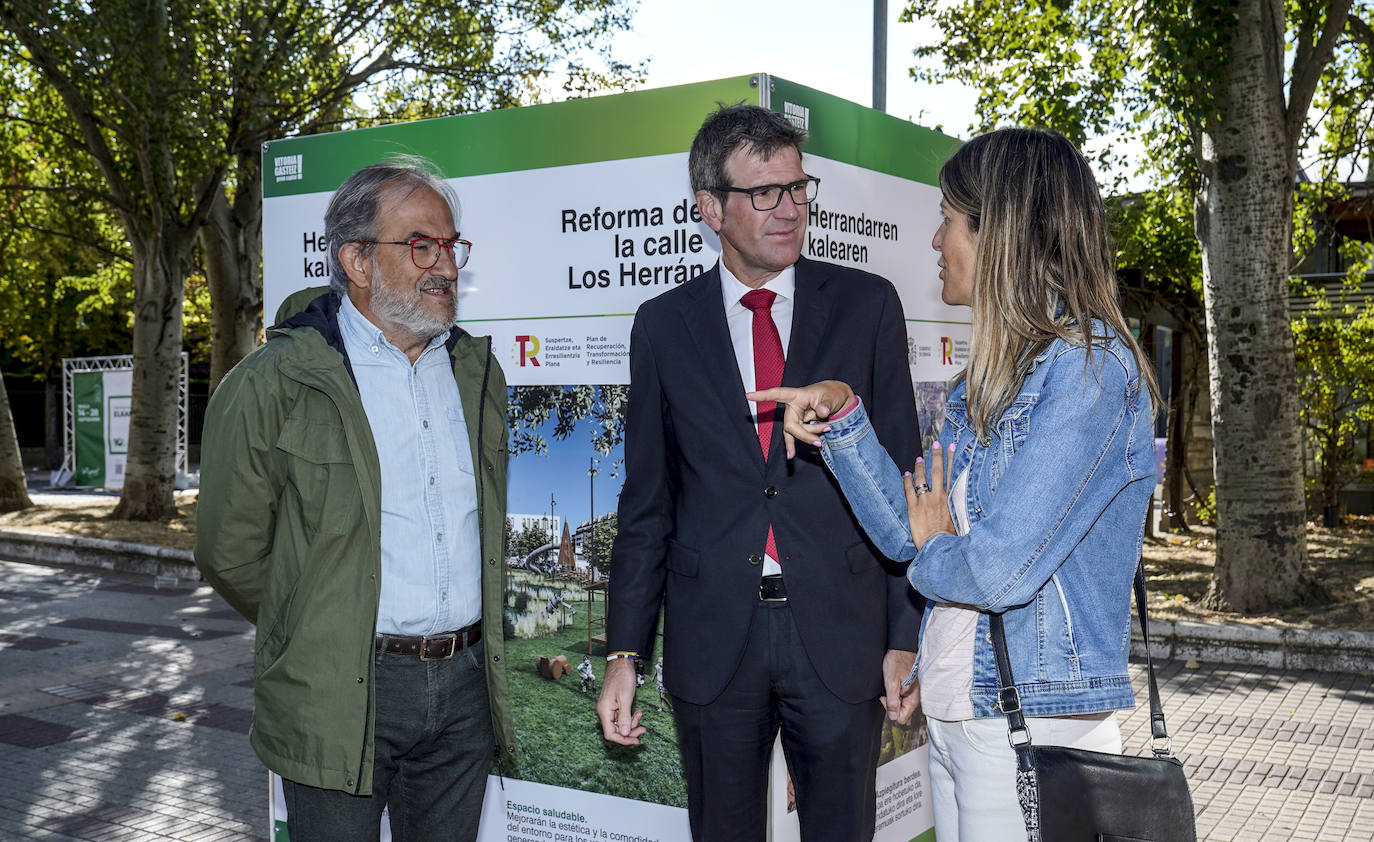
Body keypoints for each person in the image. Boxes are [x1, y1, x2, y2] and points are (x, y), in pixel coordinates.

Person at [750, 127, 1161, 841]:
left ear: (1000, 232)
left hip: (1029, 725)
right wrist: (844, 419)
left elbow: (997, 569)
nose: (937, 241)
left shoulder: (1090, 372)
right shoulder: (986, 382)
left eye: (948, 220)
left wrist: (934, 547)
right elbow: (903, 531)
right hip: (961, 714)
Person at [595, 104, 923, 842]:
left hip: (842, 636)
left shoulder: (867, 306)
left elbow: (905, 482)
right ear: (710, 208)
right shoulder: (663, 325)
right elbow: (646, 503)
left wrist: (905, 636)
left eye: (798, 188)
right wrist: (623, 655)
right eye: (765, 192)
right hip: (714, 640)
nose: (790, 208)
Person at [195, 157, 514, 842]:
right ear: (357, 260)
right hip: (336, 689)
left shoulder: (476, 371)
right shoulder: (274, 382)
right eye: (421, 245)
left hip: (466, 693)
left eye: (451, 245)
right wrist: (318, 626)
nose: (446, 266)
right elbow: (229, 551)